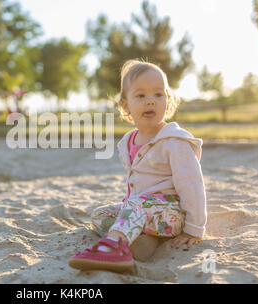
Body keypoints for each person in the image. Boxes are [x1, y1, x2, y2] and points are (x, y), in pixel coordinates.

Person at [68, 60, 207, 273]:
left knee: (135, 207)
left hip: (171, 214)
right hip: (143, 212)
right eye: (141, 96)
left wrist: (193, 229)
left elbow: (192, 185)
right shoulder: (128, 141)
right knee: (100, 214)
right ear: (125, 105)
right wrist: (131, 207)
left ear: (168, 100)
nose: (150, 101)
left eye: (158, 94)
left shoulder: (174, 141)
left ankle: (113, 248)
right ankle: (140, 241)